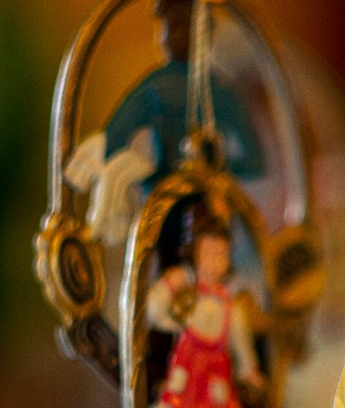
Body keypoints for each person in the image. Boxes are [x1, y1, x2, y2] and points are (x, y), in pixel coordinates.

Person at [65, 0, 264, 247]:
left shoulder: (156, 90)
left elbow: (113, 142)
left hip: (162, 213)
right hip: (207, 217)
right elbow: (254, 162)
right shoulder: (222, 95)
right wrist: (216, 167)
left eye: (172, 28)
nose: (163, 38)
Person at [147, 204, 265, 408]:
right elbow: (155, 312)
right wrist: (172, 283)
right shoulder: (187, 299)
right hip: (189, 373)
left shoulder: (230, 305)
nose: (215, 262)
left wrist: (249, 370)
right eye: (208, 254)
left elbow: (240, 343)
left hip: (216, 377)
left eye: (221, 254)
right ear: (194, 256)